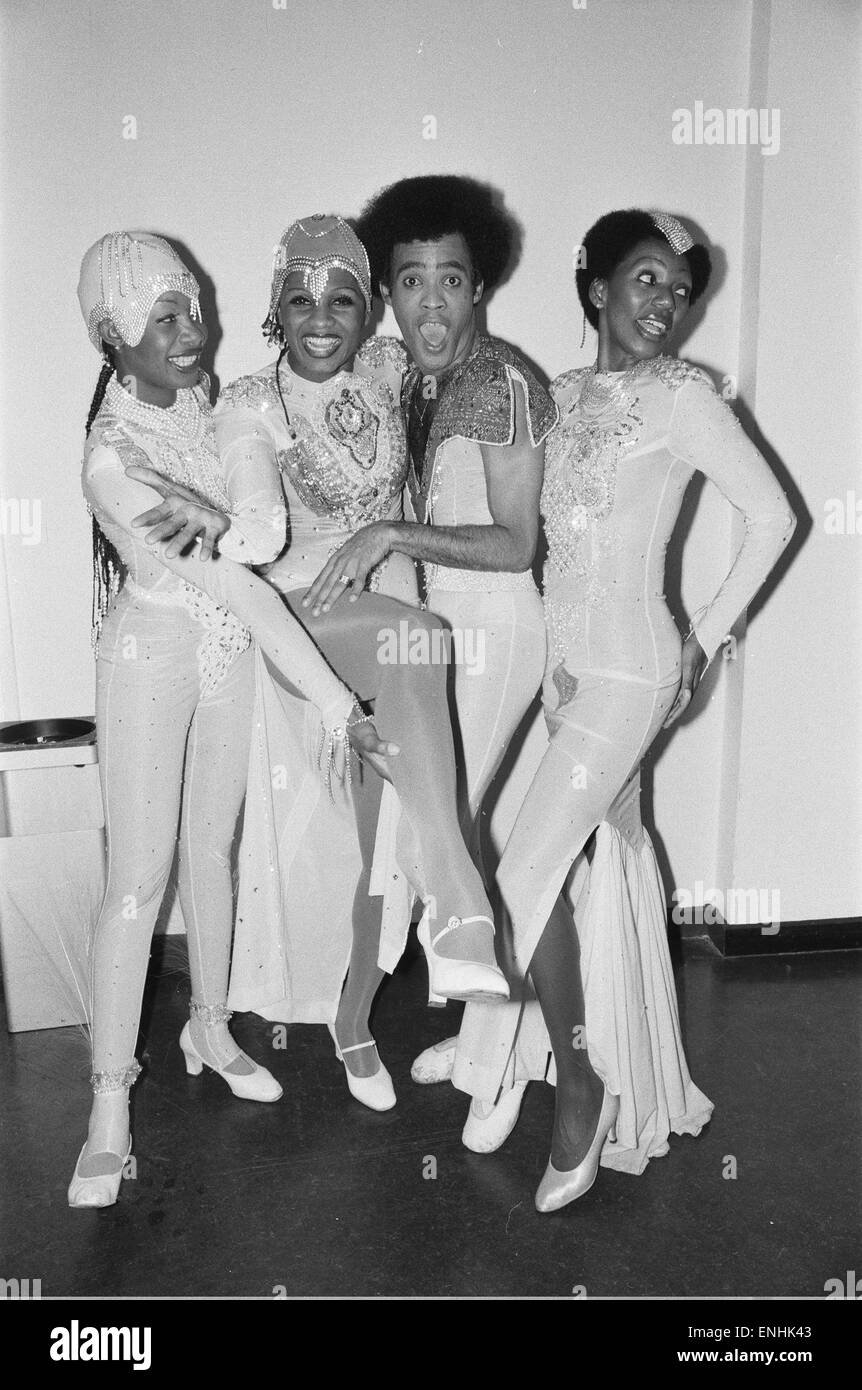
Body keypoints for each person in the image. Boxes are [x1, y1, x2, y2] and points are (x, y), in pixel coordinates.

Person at [69, 229, 408, 1208]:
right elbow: (244, 587)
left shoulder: (212, 407)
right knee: (137, 884)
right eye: (165, 317)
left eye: (195, 309)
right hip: (152, 657)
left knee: (213, 850)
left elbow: (256, 533)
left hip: (226, 661)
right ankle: (107, 1108)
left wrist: (241, 521)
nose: (193, 331)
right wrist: (341, 708)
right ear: (112, 335)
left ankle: (209, 1027)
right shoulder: (112, 461)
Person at [481, 208, 796, 1211]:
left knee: (521, 870)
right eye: (648, 278)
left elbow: (774, 516)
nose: (667, 301)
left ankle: (581, 1089)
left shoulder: (684, 396)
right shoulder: (560, 395)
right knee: (591, 859)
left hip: (633, 670)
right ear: (597, 288)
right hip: (566, 672)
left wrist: (706, 637)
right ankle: (543, 1054)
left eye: (680, 288)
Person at [212, 214, 509, 1108]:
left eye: (342, 299)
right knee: (421, 639)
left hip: (392, 651)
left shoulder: (383, 372)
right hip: (302, 628)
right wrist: (236, 524)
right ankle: (460, 905)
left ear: (366, 307)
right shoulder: (250, 402)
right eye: (300, 300)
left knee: (383, 846)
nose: (321, 320)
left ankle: (354, 1021)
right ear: (275, 308)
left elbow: (463, 354)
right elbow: (254, 507)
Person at [304, 177, 557, 1146]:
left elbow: (516, 543)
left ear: (480, 284)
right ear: (388, 292)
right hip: (419, 638)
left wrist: (387, 533)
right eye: (410, 281)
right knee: (406, 842)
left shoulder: (503, 383)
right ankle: (416, 1025)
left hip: (491, 632)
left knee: (431, 839)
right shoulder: (405, 378)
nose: (432, 303)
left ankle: (501, 1065)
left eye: (451, 278)